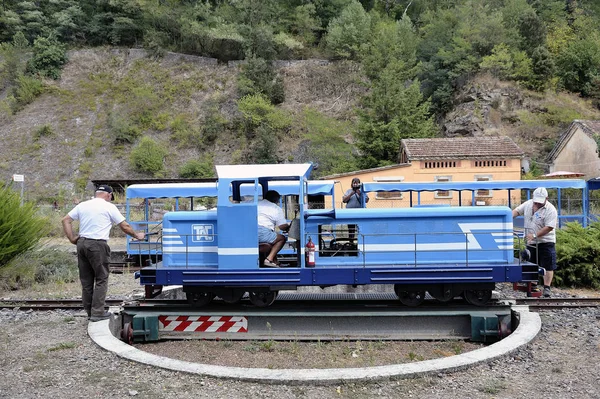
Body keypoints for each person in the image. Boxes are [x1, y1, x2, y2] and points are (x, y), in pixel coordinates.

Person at [62, 185, 145, 321]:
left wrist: (72, 238)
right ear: (109, 195)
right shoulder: (108, 206)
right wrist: (136, 235)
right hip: (97, 244)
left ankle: (90, 312)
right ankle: (98, 312)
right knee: (101, 278)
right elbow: (124, 226)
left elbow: (65, 220)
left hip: (82, 243)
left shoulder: (83, 205)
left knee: (86, 280)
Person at [512, 187, 558, 297]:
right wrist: (507, 217)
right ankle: (532, 284)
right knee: (531, 263)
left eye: (540, 201)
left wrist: (534, 235)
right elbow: (517, 211)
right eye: (536, 200)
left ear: (546, 198)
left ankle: (547, 287)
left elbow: (549, 227)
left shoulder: (551, 210)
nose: (537, 203)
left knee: (548, 264)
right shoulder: (528, 204)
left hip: (545, 241)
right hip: (530, 242)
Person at [258, 190, 289, 268]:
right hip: (262, 232)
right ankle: (269, 259)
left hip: (249, 231)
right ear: (276, 200)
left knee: (273, 238)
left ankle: (275, 262)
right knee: (281, 238)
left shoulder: (256, 204)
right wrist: (289, 227)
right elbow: (282, 226)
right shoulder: (275, 208)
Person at [342, 177, 369, 242]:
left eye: (357, 183)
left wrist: (359, 193)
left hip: (360, 213)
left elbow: (367, 200)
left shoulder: (362, 191)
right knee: (351, 229)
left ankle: (361, 241)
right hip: (350, 213)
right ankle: (351, 241)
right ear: (352, 184)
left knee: (360, 228)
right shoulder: (348, 191)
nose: (355, 185)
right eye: (354, 183)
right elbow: (344, 200)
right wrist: (351, 194)